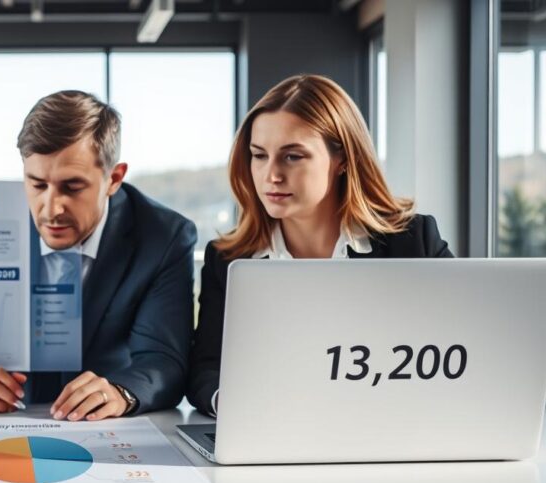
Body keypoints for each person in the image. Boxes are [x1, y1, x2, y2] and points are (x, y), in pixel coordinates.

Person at [187, 74, 453, 417]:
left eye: (292, 156)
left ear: (342, 159)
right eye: (259, 155)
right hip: (273, 434)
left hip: (391, 428)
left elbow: (461, 347)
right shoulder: (227, 259)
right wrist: (234, 405)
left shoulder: (413, 240)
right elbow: (205, 369)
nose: (271, 175)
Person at [0, 90, 197, 421]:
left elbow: (164, 359)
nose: (51, 209)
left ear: (113, 178)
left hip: (100, 431)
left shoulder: (163, 237)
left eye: (72, 187)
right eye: (37, 185)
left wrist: (122, 392)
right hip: (0, 429)